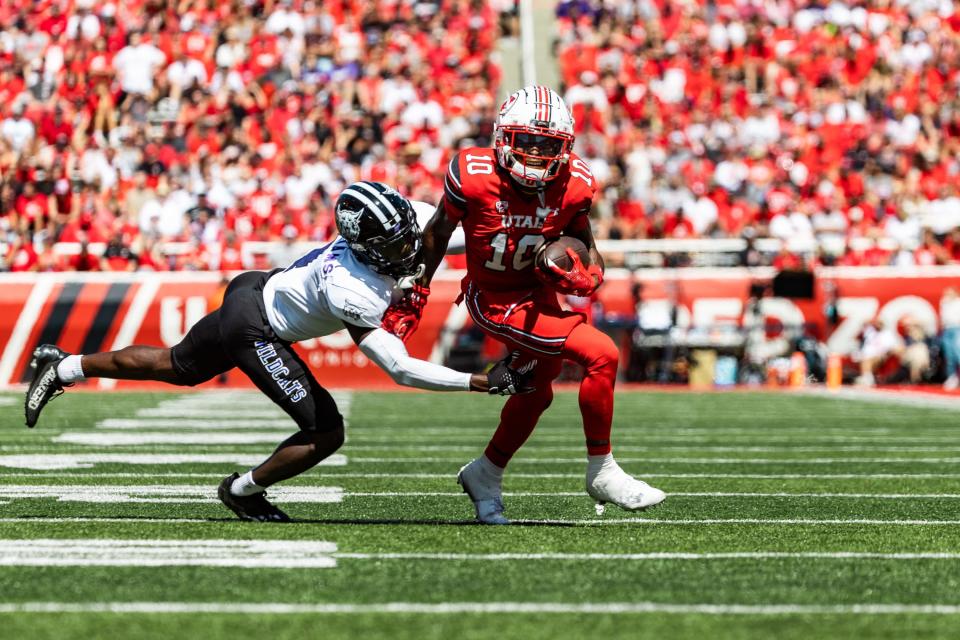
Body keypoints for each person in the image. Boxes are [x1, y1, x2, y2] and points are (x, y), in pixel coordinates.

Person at [24, 181, 535, 522]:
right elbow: (398, 367)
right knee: (327, 430)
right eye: (394, 246)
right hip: (258, 326)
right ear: (362, 247)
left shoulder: (408, 226)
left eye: (408, 238)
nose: (408, 251)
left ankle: (64, 364)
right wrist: (480, 381)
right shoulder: (353, 288)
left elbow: (473, 235)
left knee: (176, 366)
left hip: (255, 289)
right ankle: (243, 492)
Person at [383, 86, 666, 524]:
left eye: (548, 145)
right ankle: (602, 469)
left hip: (538, 298)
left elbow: (588, 249)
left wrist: (588, 274)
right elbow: (437, 232)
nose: (535, 155)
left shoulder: (575, 183)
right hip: (493, 299)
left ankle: (486, 472)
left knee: (535, 390)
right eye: (526, 142)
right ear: (502, 138)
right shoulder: (473, 173)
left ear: (565, 147)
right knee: (602, 354)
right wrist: (417, 291)